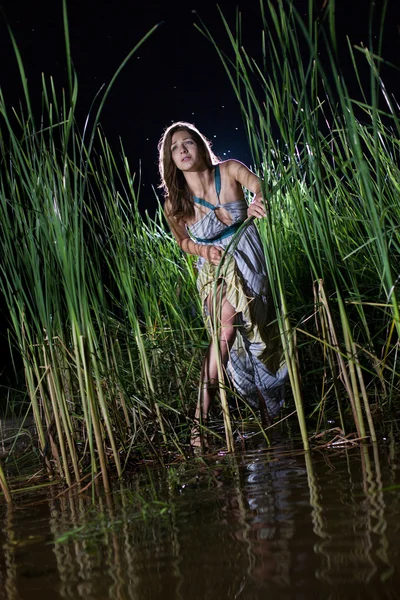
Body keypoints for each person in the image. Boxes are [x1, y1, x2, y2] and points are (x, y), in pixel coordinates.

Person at [158, 121, 287, 448]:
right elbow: (183, 242)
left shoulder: (229, 170)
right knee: (226, 330)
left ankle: (269, 413)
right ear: (170, 159)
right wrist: (201, 249)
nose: (183, 150)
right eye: (175, 147)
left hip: (246, 255)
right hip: (212, 266)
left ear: (200, 146)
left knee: (257, 335)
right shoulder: (174, 204)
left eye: (188, 142)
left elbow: (259, 184)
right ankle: (198, 425)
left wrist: (258, 200)